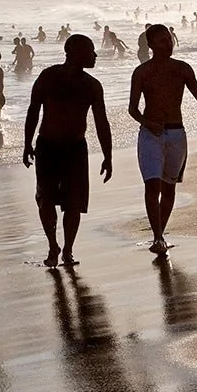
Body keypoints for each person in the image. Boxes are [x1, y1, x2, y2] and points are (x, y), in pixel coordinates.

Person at [128, 24, 197, 257]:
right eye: (162, 41)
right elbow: (132, 109)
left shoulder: (182, 69)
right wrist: (146, 122)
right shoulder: (141, 72)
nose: (168, 44)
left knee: (168, 187)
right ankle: (157, 237)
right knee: (152, 185)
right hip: (151, 135)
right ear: (150, 45)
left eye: (169, 39)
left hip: (176, 133)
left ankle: (160, 233)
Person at [23, 34, 113, 270]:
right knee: (46, 200)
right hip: (47, 147)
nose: (94, 55)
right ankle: (53, 245)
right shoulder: (48, 77)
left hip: (75, 148)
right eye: (90, 51)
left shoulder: (92, 85)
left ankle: (68, 249)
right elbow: (33, 111)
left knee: (74, 203)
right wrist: (26, 143)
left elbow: (102, 122)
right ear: (73, 53)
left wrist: (108, 155)